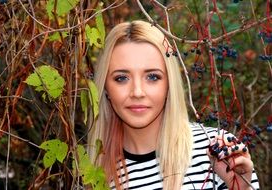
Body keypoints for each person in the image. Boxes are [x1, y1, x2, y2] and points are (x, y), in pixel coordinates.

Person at [87, 20, 259, 190]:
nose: (137, 92)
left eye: (152, 77)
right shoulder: (93, 173)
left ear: (169, 84)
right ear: (105, 88)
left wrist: (239, 188)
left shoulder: (217, 153)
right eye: (121, 78)